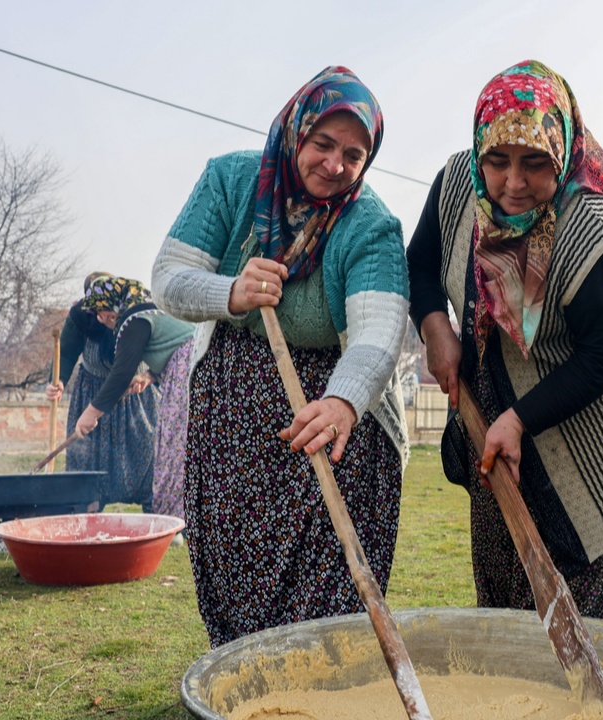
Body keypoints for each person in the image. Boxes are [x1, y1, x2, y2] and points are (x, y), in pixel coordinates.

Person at [151, 66, 409, 648]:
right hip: (231, 426)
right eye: (322, 144)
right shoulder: (231, 181)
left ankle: (326, 695)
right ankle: (246, 686)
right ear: (297, 133)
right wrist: (232, 291)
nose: (335, 165)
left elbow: (379, 331)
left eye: (354, 153)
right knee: (230, 559)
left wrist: (344, 401)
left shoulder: (370, 224)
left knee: (328, 584)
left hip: (330, 419)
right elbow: (168, 280)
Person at [407, 60, 603, 624]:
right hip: (497, 406)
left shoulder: (598, 232)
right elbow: (422, 262)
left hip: (602, 416)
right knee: (505, 591)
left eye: (535, 164)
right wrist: (436, 330)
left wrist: (521, 419)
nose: (512, 183)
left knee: (583, 608)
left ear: (565, 152)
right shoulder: (459, 185)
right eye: (497, 161)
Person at [70, 276, 195, 518]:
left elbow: (121, 373)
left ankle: (171, 520)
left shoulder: (135, 318)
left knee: (172, 445)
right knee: (177, 445)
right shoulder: (144, 310)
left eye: (102, 309)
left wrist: (90, 413)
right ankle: (176, 519)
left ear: (114, 302)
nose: (101, 317)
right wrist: (148, 376)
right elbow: (169, 344)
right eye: (96, 312)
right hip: (184, 368)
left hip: (188, 371)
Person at [48, 271, 158, 510]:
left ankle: (156, 511)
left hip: (134, 395)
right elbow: (65, 353)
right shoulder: (80, 316)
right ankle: (86, 508)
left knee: (147, 449)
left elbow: (162, 351)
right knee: (87, 456)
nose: (99, 317)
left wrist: (149, 376)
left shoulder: (139, 312)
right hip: (92, 394)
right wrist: (57, 381)